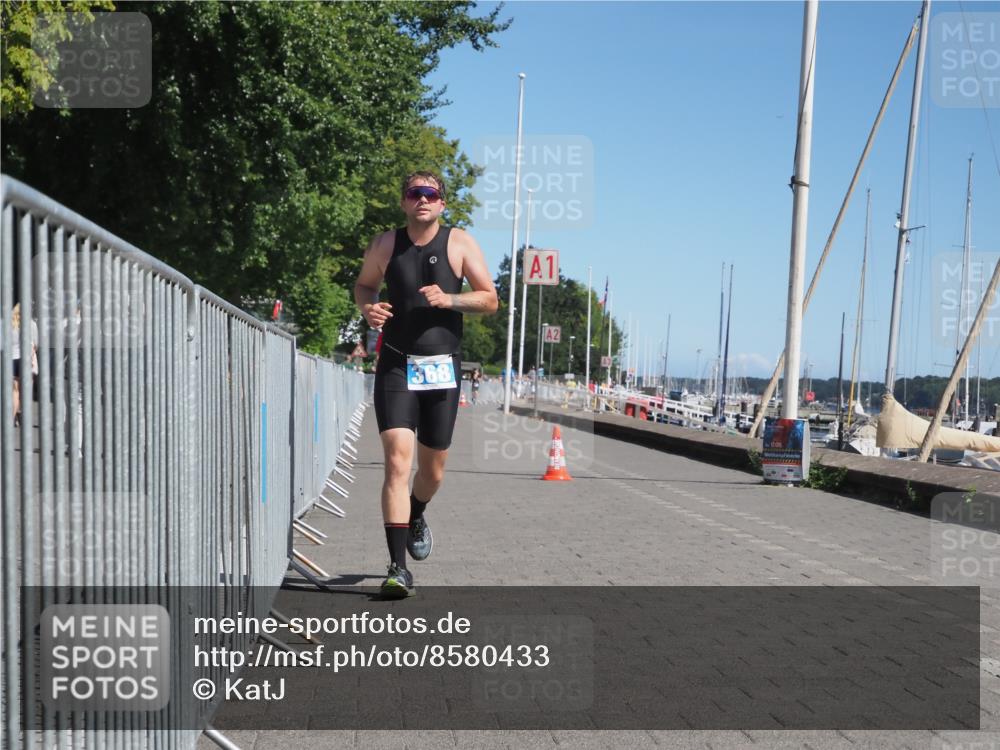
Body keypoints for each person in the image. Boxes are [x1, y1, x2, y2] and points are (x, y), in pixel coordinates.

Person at [354, 171, 498, 598]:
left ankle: (417, 511)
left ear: (442, 203)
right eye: (414, 193)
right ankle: (397, 568)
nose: (422, 200)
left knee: (432, 471)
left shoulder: (460, 242)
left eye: (430, 194)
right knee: (398, 462)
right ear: (403, 202)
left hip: (442, 371)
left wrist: (451, 299)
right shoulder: (385, 244)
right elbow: (364, 285)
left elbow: (490, 299)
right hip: (396, 365)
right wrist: (368, 309)